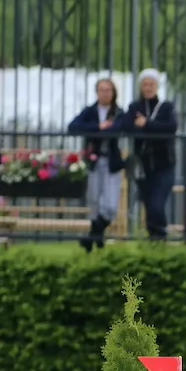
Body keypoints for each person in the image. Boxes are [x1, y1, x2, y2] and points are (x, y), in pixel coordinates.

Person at [116, 69, 178, 240]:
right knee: (149, 205)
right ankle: (154, 241)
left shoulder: (166, 107)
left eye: (151, 84)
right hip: (143, 166)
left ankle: (160, 236)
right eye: (145, 84)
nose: (148, 88)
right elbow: (127, 126)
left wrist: (146, 124)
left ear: (157, 86)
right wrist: (149, 127)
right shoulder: (135, 107)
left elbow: (170, 127)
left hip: (164, 164)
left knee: (157, 204)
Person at [68, 78, 126, 251]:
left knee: (110, 205)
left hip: (111, 162)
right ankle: (97, 240)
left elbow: (120, 128)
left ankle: (91, 237)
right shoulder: (90, 111)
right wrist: (98, 127)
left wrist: (106, 129)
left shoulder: (119, 112)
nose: (105, 93)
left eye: (108, 90)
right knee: (94, 201)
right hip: (94, 160)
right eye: (102, 90)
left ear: (113, 93)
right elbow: (73, 127)